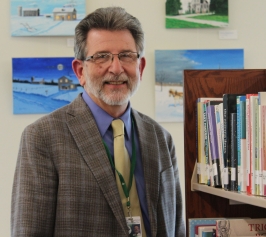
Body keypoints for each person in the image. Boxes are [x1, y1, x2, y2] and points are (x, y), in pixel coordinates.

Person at [11, 6, 185, 237]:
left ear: (140, 67)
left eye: (126, 56)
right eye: (102, 57)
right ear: (80, 70)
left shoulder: (161, 138)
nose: (116, 68)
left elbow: (176, 229)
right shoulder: (43, 137)